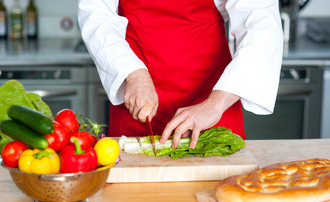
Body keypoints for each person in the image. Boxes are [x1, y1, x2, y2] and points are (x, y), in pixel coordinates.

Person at [78, 0, 283, 149]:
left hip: (212, 98)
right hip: (137, 96)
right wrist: (133, 73)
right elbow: (97, 17)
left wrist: (214, 105)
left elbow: (262, 26)